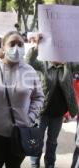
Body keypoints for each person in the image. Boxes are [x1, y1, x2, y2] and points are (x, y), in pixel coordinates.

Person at [0, 31, 44, 168]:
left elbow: (38, 97)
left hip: (21, 132)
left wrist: (31, 117)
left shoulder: (30, 71)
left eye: (20, 44)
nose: (16, 48)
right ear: (3, 47)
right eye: (12, 44)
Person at [26, 34, 79, 168]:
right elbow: (29, 62)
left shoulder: (68, 66)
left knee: (52, 142)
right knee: (37, 141)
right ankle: (34, 165)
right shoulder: (42, 64)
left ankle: (50, 165)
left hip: (58, 114)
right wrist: (37, 46)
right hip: (41, 113)